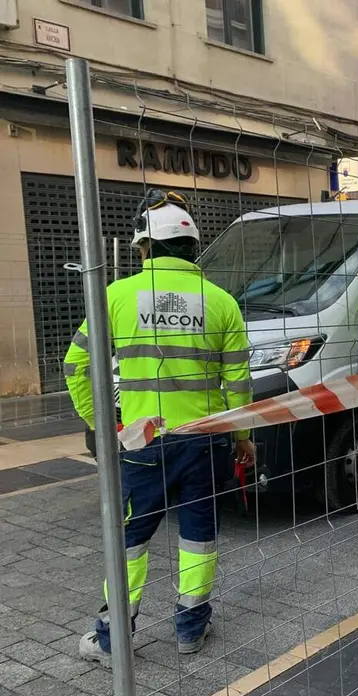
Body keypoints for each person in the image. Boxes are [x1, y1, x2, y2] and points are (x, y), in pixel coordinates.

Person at [64, 190, 254, 664]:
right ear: (192, 248)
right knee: (199, 534)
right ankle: (191, 629)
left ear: (145, 246)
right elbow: (238, 382)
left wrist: (102, 427)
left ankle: (113, 639)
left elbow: (75, 366)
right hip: (206, 441)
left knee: (130, 540)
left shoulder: (115, 296)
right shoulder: (222, 302)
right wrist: (243, 437)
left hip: (143, 443)